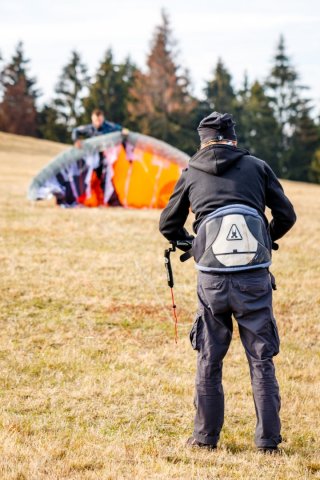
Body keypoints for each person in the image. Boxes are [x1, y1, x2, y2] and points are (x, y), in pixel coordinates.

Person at [159, 111, 296, 453]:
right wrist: (265, 237)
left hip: (213, 281)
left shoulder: (190, 172)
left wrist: (191, 243)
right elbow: (287, 216)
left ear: (202, 140)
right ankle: (267, 443)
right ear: (233, 138)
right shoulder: (258, 166)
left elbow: (167, 225)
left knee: (209, 357)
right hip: (253, 277)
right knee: (261, 358)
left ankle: (205, 439)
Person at [72, 109, 126, 206]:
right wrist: (76, 140)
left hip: (106, 158)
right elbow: (75, 131)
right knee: (90, 179)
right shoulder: (88, 128)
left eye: (100, 120)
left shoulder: (109, 126)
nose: (98, 122)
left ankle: (109, 201)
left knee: (106, 178)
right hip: (92, 158)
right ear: (92, 119)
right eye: (96, 120)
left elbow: (120, 129)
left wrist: (124, 131)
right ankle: (91, 199)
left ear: (103, 119)